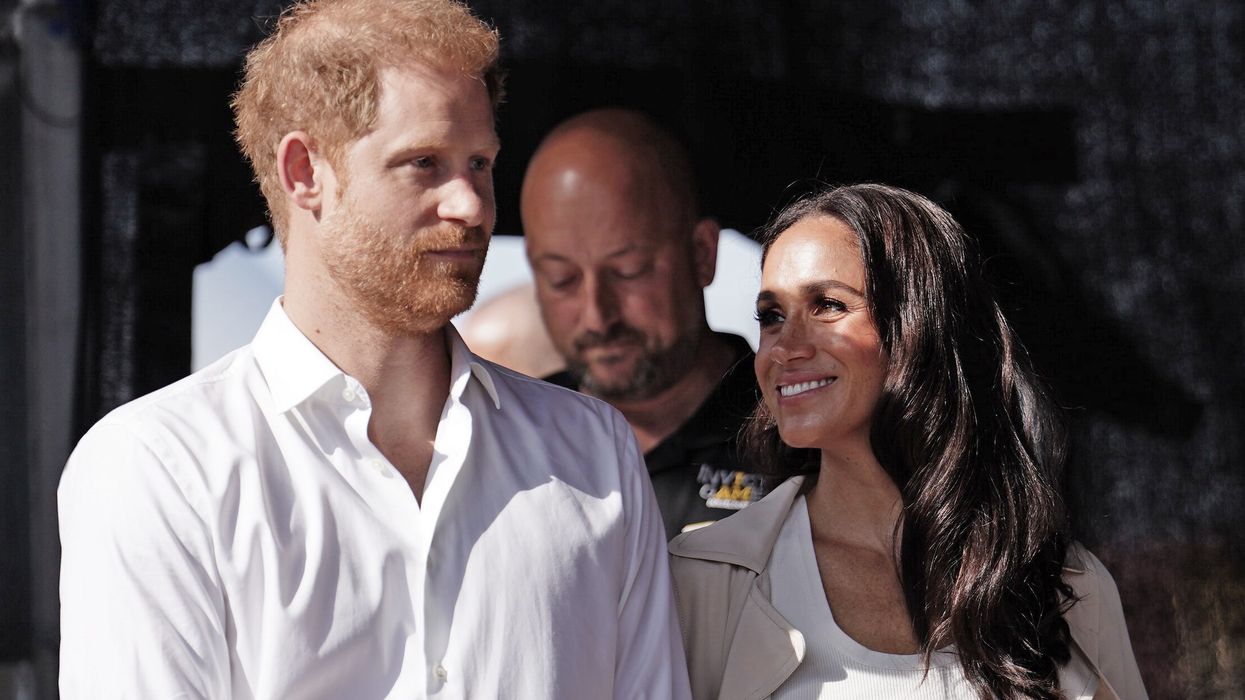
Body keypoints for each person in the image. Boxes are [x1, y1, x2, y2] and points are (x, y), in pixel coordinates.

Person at [58, 2, 690, 697]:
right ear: (304, 171)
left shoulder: (591, 452)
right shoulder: (160, 469)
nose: (472, 205)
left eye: (479, 164)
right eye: (425, 163)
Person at [668, 184, 1147, 699]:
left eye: (828, 305)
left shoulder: (1068, 584)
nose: (784, 349)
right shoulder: (704, 579)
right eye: (772, 316)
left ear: (924, 325)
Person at [521, 108, 763, 540]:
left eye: (629, 271)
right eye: (562, 280)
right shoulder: (511, 439)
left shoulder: (799, 435)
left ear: (703, 254)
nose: (598, 315)